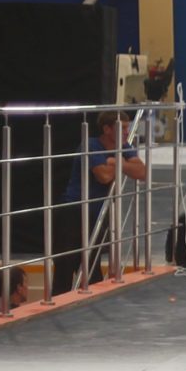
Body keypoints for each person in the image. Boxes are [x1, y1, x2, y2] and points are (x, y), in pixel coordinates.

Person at [51, 111, 150, 295]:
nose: (127, 132)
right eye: (122, 128)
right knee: (65, 269)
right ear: (107, 129)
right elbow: (103, 176)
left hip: (94, 217)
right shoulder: (90, 145)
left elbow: (142, 172)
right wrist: (122, 164)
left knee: (92, 269)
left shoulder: (124, 146)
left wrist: (115, 161)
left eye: (128, 127)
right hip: (72, 213)